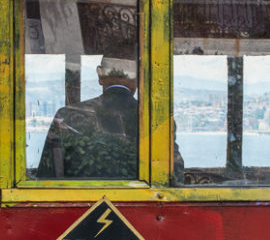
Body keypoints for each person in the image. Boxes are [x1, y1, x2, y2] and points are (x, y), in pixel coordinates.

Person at [36, 57, 184, 180]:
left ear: (100, 75)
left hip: (81, 211)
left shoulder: (66, 116)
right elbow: (174, 174)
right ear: (139, 78)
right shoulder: (156, 120)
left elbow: (47, 177)